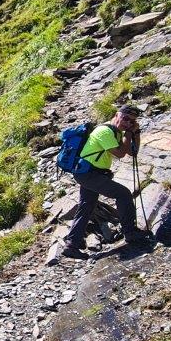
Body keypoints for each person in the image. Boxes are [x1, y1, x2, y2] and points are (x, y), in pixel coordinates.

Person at [62, 104, 153, 259]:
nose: (127, 123)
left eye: (131, 122)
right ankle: (130, 232)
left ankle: (71, 245)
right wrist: (129, 134)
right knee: (123, 194)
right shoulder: (104, 131)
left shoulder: (117, 133)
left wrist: (135, 133)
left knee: (86, 206)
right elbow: (120, 153)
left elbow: (132, 152)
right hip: (89, 173)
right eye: (125, 118)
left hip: (89, 173)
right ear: (117, 115)